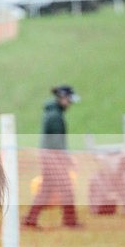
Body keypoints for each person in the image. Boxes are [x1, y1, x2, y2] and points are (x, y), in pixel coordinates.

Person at [23, 85, 82, 228]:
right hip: (54, 157)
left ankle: (30, 220)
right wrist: (67, 159)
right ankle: (70, 222)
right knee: (66, 188)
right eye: (69, 100)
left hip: (47, 157)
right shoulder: (55, 116)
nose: (70, 104)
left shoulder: (52, 113)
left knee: (45, 190)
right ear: (62, 98)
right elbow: (57, 142)